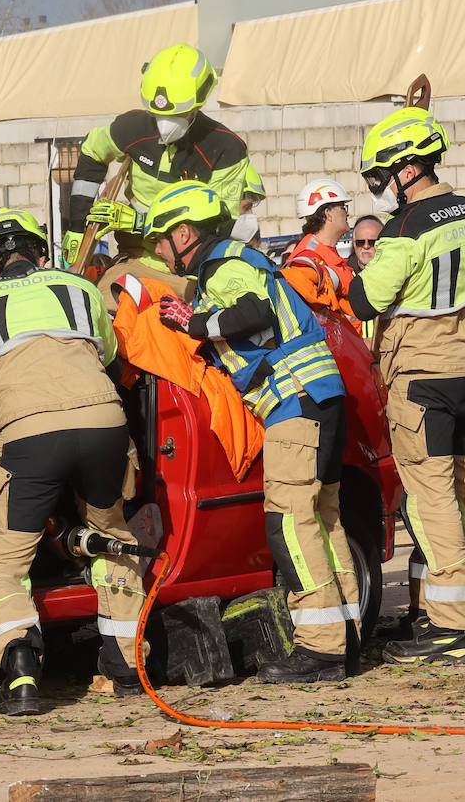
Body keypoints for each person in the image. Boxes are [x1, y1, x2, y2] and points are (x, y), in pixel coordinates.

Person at [146, 182, 358, 683]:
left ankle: (322, 650)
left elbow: (255, 312)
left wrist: (197, 324)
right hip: (318, 398)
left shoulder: (224, 263)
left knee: (289, 523)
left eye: (159, 238)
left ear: (183, 232)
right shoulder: (232, 261)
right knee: (323, 521)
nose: (156, 250)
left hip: (295, 400)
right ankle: (345, 638)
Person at [346, 106, 465, 664]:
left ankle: (451, 627)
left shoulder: (401, 229)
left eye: (381, 176)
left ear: (407, 168)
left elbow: (366, 299)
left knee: (430, 498)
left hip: (421, 372)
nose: (380, 188)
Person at [0, 209, 145, 715]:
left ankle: (21, 672)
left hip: (29, 438)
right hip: (105, 425)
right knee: (112, 539)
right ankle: (129, 665)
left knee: (1, 566)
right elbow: (107, 353)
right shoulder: (79, 289)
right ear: (42, 255)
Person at [64, 42, 265, 308]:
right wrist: (78, 226)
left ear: (198, 103)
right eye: (158, 114)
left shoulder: (225, 149)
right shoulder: (131, 128)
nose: (165, 123)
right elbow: (92, 154)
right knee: (98, 317)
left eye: (177, 113)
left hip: (193, 273)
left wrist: (140, 222)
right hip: (136, 261)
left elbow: (219, 226)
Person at [286, 179, 354, 290]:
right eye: (343, 207)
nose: (348, 214)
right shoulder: (307, 260)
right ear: (328, 214)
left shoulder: (324, 254)